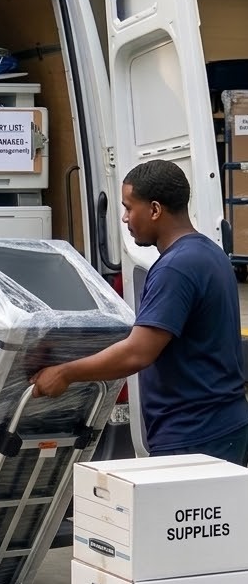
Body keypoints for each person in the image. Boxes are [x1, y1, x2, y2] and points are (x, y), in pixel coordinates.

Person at [31, 159, 248, 465]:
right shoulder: (210, 253)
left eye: (129, 207)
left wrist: (66, 373)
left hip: (194, 435)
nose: (124, 217)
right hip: (222, 425)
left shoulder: (176, 268)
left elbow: (138, 353)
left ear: (155, 210)